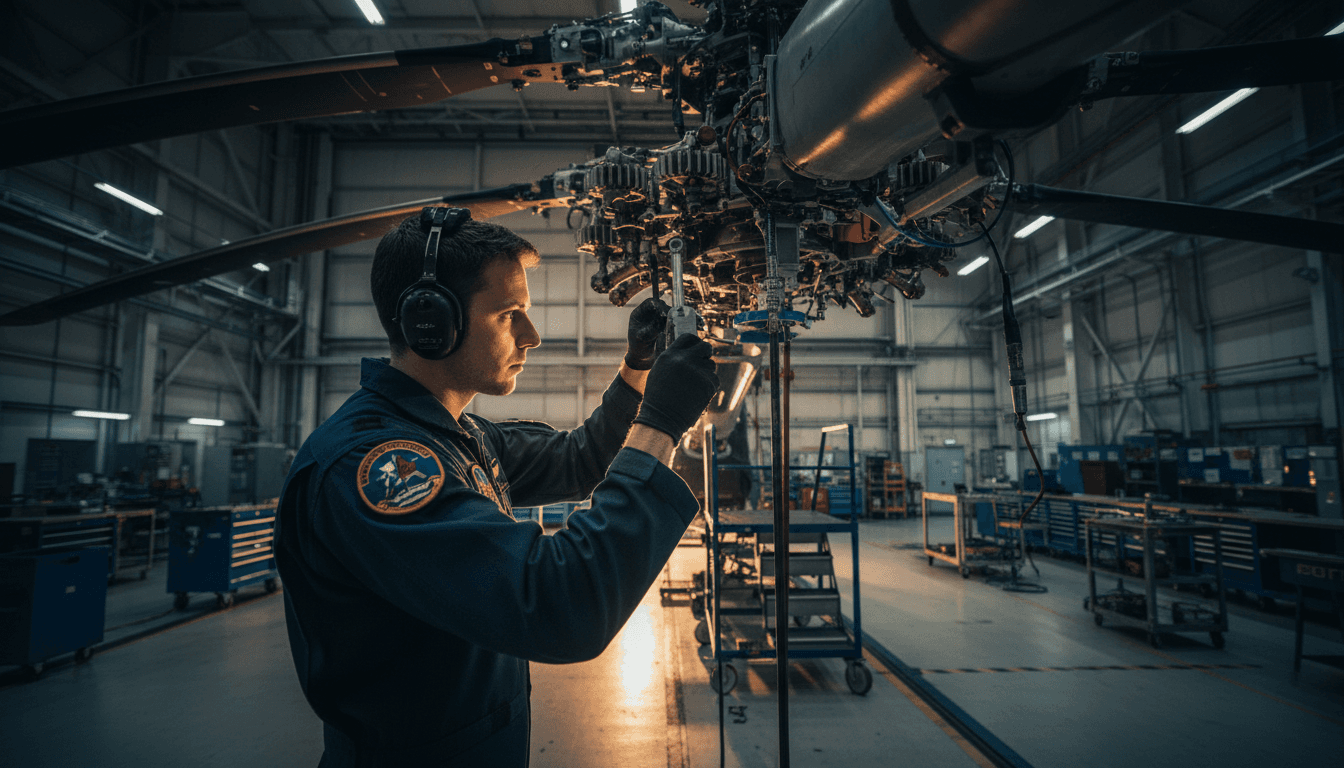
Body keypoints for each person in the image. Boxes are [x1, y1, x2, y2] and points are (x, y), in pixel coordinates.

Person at [273, 207, 720, 768]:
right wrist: (658, 427)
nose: (532, 337)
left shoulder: (459, 437)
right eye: (510, 315)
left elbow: (580, 460)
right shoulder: (373, 467)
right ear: (431, 322)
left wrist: (638, 370)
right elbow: (559, 604)